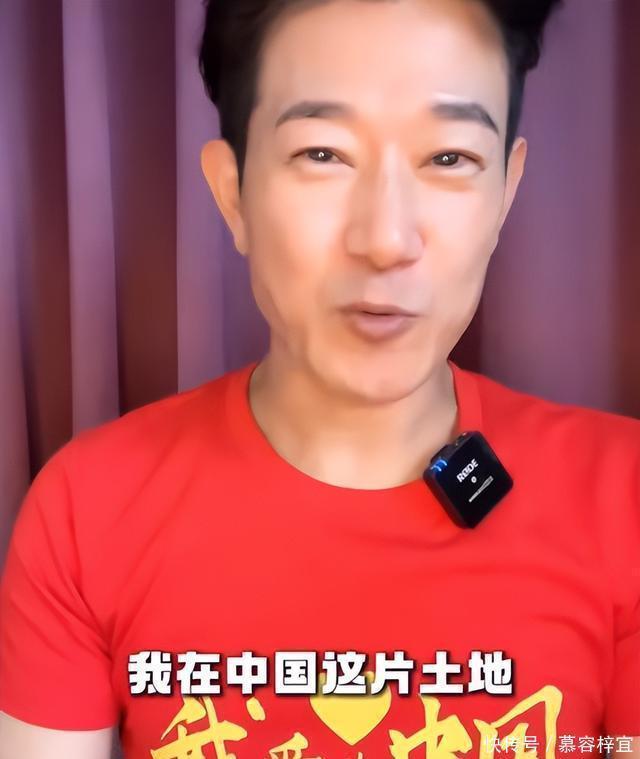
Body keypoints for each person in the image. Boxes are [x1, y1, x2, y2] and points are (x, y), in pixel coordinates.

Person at [0, 0, 638, 756]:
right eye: (323, 154)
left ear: (506, 191)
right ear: (232, 193)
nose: (385, 239)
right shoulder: (88, 511)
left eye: (449, 158)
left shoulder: (623, 497)